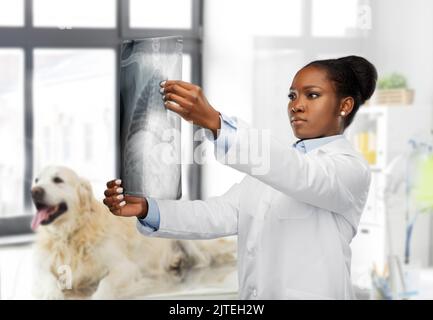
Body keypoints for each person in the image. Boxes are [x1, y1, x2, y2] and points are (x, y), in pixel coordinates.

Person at [103, 55, 378, 299]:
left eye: (312, 95)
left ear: (345, 106)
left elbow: (302, 176)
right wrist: (149, 208)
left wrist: (216, 122)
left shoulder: (349, 170)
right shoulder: (273, 169)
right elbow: (219, 213)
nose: (297, 106)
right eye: (292, 96)